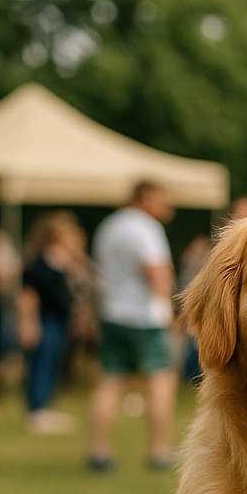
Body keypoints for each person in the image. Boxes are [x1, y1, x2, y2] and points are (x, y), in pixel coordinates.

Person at [89, 181, 178, 472]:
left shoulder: (109, 227)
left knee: (110, 382)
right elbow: (157, 274)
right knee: (160, 382)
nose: (167, 206)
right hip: (145, 318)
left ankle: (100, 451)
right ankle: (159, 451)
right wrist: (169, 312)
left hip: (113, 313)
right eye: (163, 199)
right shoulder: (145, 229)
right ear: (146, 197)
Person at [20, 212, 86, 433]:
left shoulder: (64, 262)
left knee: (52, 364)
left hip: (59, 321)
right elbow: (28, 296)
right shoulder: (38, 264)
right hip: (44, 320)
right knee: (41, 363)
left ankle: (44, 407)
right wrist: (29, 323)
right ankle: (36, 409)